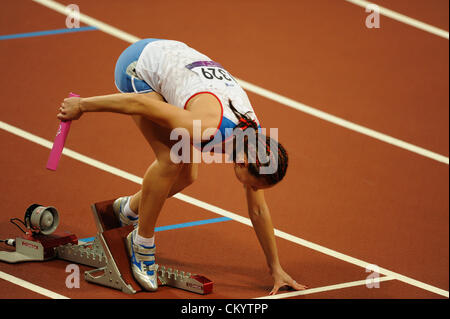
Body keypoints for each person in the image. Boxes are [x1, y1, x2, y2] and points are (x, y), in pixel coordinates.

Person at [57, 38, 307, 295]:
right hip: (138, 67)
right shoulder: (206, 125)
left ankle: (126, 210)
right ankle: (141, 244)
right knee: (171, 160)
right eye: (249, 183)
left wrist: (275, 267)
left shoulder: (256, 145)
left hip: (174, 62)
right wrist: (82, 105)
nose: (248, 187)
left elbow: (257, 211)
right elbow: (138, 104)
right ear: (243, 162)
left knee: (188, 174)